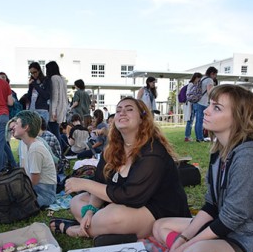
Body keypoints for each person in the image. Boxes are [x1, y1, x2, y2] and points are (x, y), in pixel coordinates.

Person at [153, 84, 253, 252]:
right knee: (159, 226)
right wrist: (183, 239)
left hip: (247, 237)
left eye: (216, 108)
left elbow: (233, 217)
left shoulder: (249, 156)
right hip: (222, 227)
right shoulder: (220, 151)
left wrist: (188, 245)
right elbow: (211, 204)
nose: (207, 111)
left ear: (238, 118)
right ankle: (199, 249)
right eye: (210, 105)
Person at [50, 97, 190, 238]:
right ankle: (98, 226)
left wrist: (85, 184)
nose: (122, 113)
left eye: (129, 109)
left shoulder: (153, 151)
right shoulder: (112, 149)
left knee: (112, 215)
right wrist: (90, 210)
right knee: (76, 202)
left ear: (142, 119)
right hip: (122, 205)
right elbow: (101, 183)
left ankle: (73, 229)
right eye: (118, 110)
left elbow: (130, 196)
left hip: (157, 209)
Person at [12, 111, 57, 208]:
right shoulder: (26, 144)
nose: (13, 126)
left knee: (13, 204)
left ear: (26, 127)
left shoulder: (35, 148)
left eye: (17, 123)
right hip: (37, 189)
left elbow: (34, 181)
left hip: (45, 194)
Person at [46, 61, 68, 143]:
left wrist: (53, 111)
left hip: (55, 108)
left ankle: (59, 151)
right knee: (56, 131)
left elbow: (55, 95)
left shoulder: (54, 78)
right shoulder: (62, 78)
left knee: (54, 132)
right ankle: (62, 149)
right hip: (62, 107)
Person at [194, 66, 218, 142]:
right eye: (215, 75)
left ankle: (198, 137)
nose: (215, 77)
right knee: (201, 121)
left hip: (198, 101)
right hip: (204, 102)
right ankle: (201, 138)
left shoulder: (202, 79)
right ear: (212, 73)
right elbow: (210, 92)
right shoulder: (209, 80)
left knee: (198, 120)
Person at [183, 72, 202, 142]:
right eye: (199, 78)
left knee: (191, 120)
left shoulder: (195, 85)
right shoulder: (191, 84)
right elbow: (188, 94)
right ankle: (187, 136)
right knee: (190, 121)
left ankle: (188, 136)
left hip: (192, 104)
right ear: (196, 78)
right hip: (190, 105)